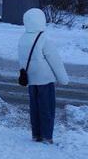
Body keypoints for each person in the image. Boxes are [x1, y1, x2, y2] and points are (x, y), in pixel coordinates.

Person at [17, 8, 69, 144]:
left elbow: (22, 61)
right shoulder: (43, 39)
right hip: (45, 81)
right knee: (47, 108)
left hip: (31, 80)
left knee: (34, 109)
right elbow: (55, 61)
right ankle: (47, 136)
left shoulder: (22, 39)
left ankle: (36, 135)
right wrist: (63, 79)